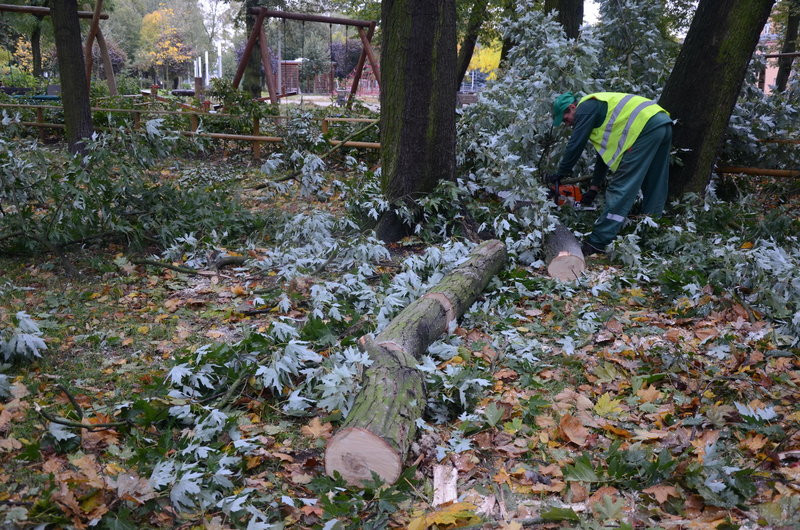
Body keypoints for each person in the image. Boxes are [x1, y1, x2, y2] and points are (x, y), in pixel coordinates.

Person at [550, 91, 672, 255]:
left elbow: (576, 144)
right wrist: (594, 188)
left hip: (644, 129)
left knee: (621, 187)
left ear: (572, 108)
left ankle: (598, 242)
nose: (567, 124)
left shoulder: (586, 108)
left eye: (566, 119)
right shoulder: (597, 111)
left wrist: (561, 173)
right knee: (654, 182)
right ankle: (651, 233)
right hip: (661, 123)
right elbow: (604, 155)